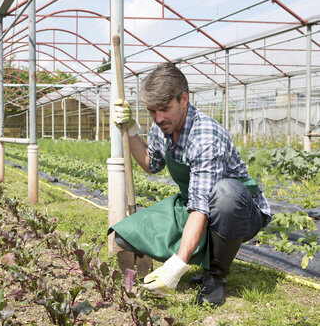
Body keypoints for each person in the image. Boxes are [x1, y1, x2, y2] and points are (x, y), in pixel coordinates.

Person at [108, 62, 271, 306]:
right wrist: (131, 131)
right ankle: (201, 260)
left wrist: (174, 268)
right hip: (194, 204)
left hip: (241, 212)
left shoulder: (205, 135)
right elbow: (151, 164)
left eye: (164, 109)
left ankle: (215, 276)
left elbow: (202, 207)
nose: (159, 117)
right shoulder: (160, 126)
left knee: (226, 195)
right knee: (125, 236)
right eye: (152, 111)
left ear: (184, 99)